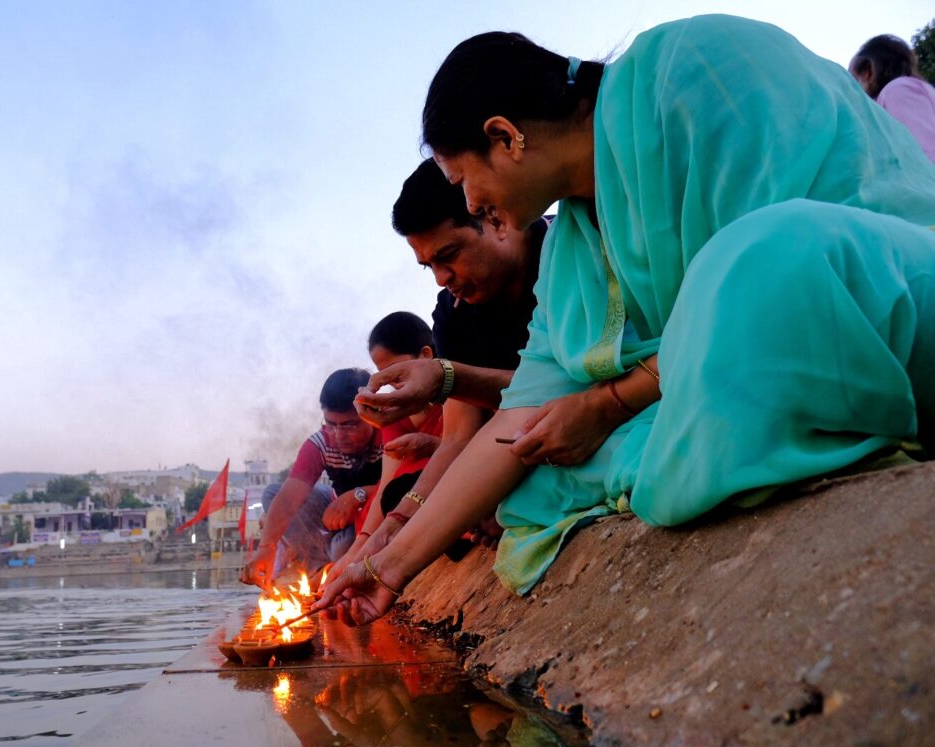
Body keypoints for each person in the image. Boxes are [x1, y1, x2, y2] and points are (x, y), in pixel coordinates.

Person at [317, 14, 935, 625]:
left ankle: (694, 445)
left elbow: (760, 290)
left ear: (505, 137)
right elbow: (518, 418)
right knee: (527, 485)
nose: (472, 203)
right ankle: (705, 443)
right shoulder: (570, 250)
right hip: (729, 376)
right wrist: (388, 568)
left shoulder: (696, 66)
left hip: (870, 290)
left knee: (756, 260)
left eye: (463, 181)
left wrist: (608, 405)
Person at [343, 160, 549, 571]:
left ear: (493, 216)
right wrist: (394, 526)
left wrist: (445, 378)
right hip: (510, 455)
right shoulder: (454, 312)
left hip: (585, 429)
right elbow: (458, 437)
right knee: (421, 499)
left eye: (448, 255)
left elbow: (572, 385)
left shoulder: (567, 253)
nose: (441, 279)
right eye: (428, 266)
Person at [240, 368, 383, 587]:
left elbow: (408, 484)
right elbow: (288, 499)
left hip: (378, 514)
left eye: (349, 425)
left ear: (370, 413)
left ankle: (335, 557)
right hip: (336, 509)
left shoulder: (389, 433)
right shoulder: (320, 443)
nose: (339, 435)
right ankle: (315, 566)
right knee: (274, 493)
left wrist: (358, 495)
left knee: (341, 549)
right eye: (331, 424)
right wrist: (265, 549)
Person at [335, 312, 444, 574]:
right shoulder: (395, 411)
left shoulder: (456, 397)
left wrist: (432, 445)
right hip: (400, 505)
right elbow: (387, 482)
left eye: (397, 373)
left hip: (443, 495)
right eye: (384, 375)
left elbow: (468, 448)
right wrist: (357, 550)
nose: (391, 384)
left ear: (426, 355)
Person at [850, 34, 935, 162]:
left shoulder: (898, 90)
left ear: (868, 72)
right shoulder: (910, 88)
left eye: (854, 80)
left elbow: (923, 150)